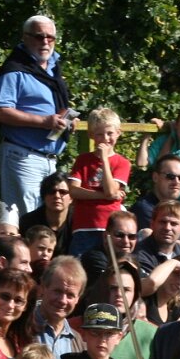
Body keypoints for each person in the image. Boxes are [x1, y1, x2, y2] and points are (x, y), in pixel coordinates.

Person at [0, 14, 72, 214]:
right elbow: (0, 111)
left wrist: (66, 122)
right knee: (27, 219)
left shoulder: (53, 69)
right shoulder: (14, 71)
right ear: (25, 38)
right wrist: (44, 121)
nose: (45, 42)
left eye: (50, 37)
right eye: (39, 36)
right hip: (22, 156)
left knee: (47, 220)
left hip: (49, 160)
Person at [65, 107, 130, 257]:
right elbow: (73, 191)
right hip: (83, 226)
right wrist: (103, 195)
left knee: (108, 265)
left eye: (110, 133)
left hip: (109, 227)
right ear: (91, 135)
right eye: (99, 134)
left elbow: (111, 190)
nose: (105, 138)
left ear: (118, 133)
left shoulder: (122, 163)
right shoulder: (83, 160)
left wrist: (104, 159)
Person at [34, 255, 87, 359]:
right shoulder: (23, 328)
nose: (63, 300)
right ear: (43, 287)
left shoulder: (78, 342)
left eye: (70, 295)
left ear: (78, 298)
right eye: (57, 291)